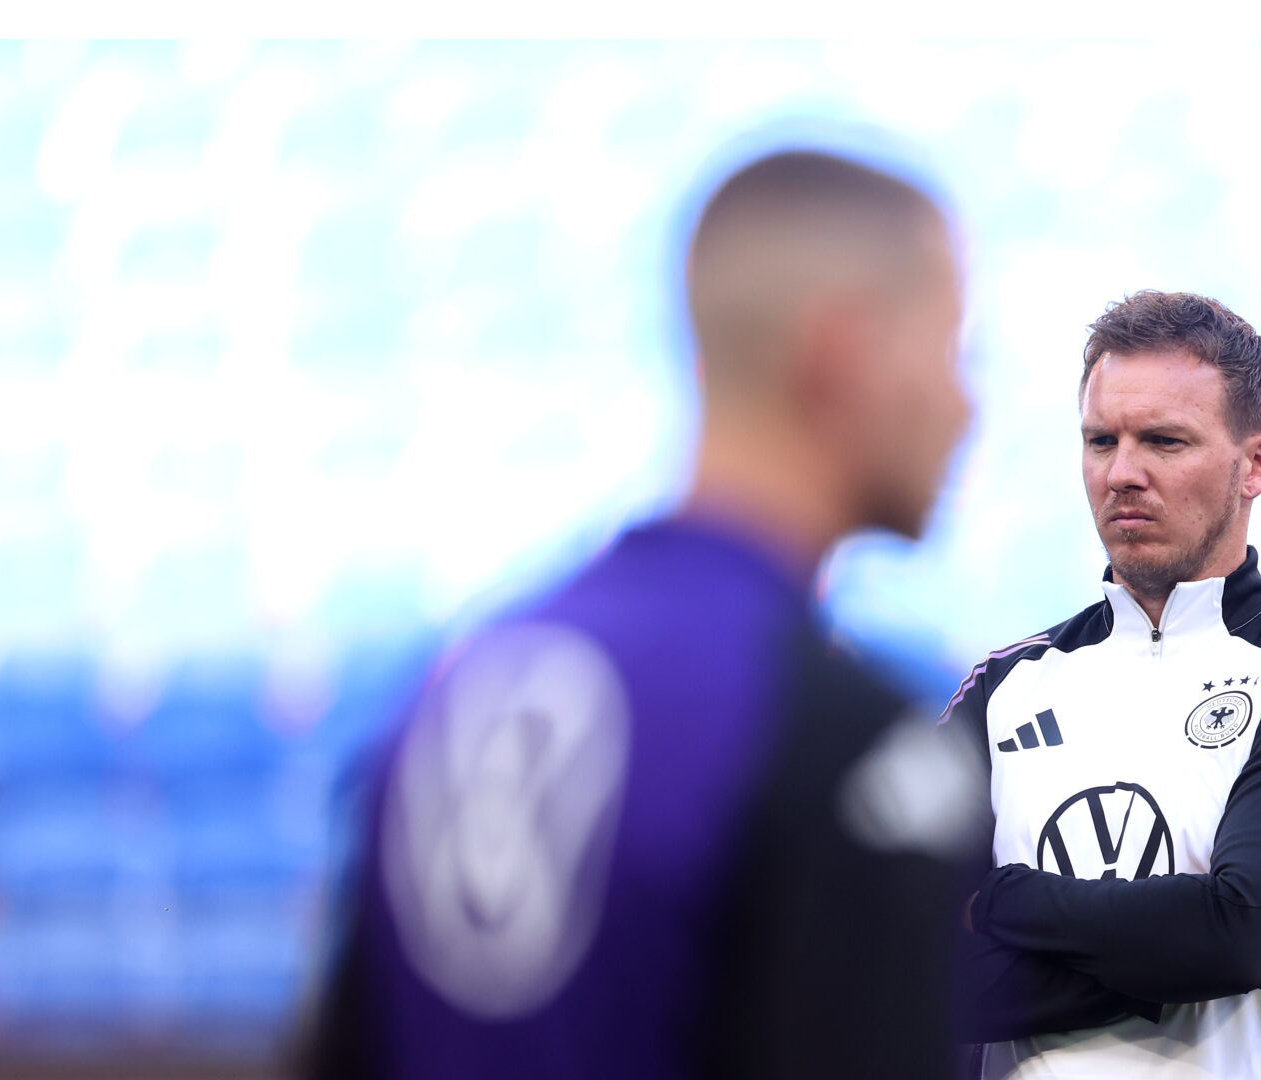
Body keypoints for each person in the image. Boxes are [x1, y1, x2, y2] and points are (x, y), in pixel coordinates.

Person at [299, 148, 985, 1080]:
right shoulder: (853, 744)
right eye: (949, 347)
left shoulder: (457, 687)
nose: (963, 402)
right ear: (843, 353)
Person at [943, 291, 1261, 1080]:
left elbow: (1236, 936)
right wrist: (1164, 946)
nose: (1122, 473)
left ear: (1256, 464)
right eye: (1099, 440)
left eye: (1163, 440)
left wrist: (999, 902)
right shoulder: (1000, 688)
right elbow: (911, 964)